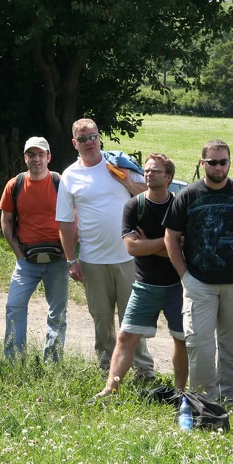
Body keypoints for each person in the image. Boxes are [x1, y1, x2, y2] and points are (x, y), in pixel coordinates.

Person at [163, 139, 233, 406]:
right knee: (199, 343)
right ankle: (202, 402)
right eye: (213, 162)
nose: (219, 167)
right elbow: (171, 237)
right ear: (203, 163)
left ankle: (231, 401)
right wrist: (184, 274)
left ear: (229, 163)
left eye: (223, 162)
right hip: (199, 282)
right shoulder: (188, 195)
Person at [55, 118, 154, 378]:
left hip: (128, 257)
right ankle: (107, 371)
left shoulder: (118, 165)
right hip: (92, 260)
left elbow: (150, 193)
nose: (89, 142)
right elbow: (64, 222)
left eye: (93, 137)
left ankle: (144, 371)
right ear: (74, 143)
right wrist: (70, 259)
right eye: (83, 139)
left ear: (99, 138)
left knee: (132, 317)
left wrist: (126, 183)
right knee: (102, 319)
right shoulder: (69, 176)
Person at [93, 153, 187, 400]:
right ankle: (110, 390)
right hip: (145, 285)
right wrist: (169, 244)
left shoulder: (179, 206)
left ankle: (180, 393)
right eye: (146, 170)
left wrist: (151, 244)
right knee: (126, 337)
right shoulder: (134, 205)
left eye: (155, 171)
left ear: (169, 177)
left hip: (178, 284)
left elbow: (187, 250)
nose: (148, 174)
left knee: (180, 339)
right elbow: (132, 248)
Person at [0, 136, 68, 362]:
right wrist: (18, 254)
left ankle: (53, 362)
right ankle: (14, 359)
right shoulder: (15, 184)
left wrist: (68, 252)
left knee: (57, 314)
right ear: (25, 158)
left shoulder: (61, 183)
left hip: (58, 260)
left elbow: (73, 220)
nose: (36, 159)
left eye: (40, 155)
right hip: (26, 261)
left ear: (49, 157)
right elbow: (6, 222)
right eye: (31, 155)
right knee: (14, 306)